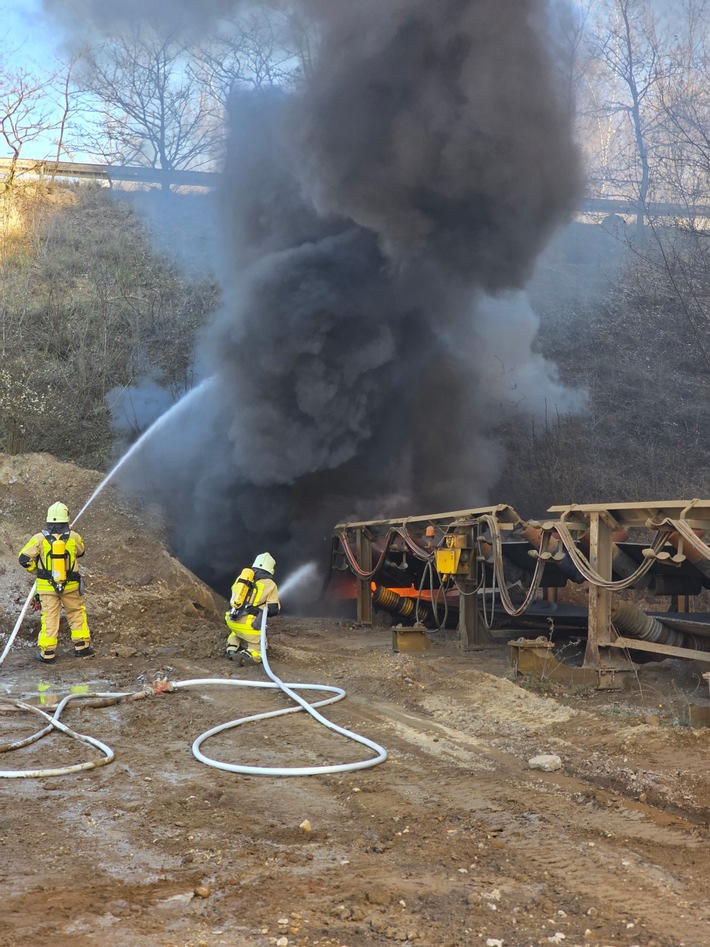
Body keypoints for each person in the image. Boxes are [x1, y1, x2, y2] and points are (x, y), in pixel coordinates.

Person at [18, 501, 92, 664]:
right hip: (71, 585)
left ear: (48, 520)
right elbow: (81, 552)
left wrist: (37, 571)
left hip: (46, 587)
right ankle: (82, 647)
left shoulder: (39, 538)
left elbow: (23, 558)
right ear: (66, 520)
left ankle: (47, 652)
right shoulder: (74, 537)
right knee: (76, 612)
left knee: (49, 617)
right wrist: (69, 535)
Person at [225, 552, 280, 665]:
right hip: (249, 626)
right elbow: (273, 610)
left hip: (231, 619)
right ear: (271, 569)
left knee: (236, 633)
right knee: (260, 648)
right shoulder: (270, 584)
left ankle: (232, 648)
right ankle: (249, 654)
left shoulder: (242, 578)